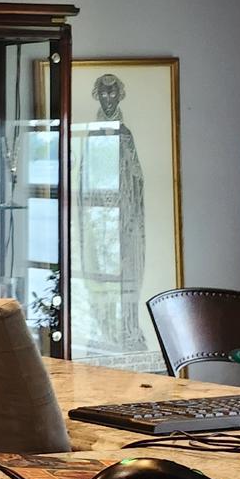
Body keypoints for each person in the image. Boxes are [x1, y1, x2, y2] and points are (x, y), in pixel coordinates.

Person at [75, 71, 147, 355]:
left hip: (124, 220)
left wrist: (128, 212)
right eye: (103, 93)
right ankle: (103, 330)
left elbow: (136, 179)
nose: (108, 98)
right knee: (98, 271)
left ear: (119, 95)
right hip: (97, 222)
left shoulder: (125, 135)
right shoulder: (92, 133)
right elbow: (83, 180)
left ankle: (127, 331)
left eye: (112, 93)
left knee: (126, 273)